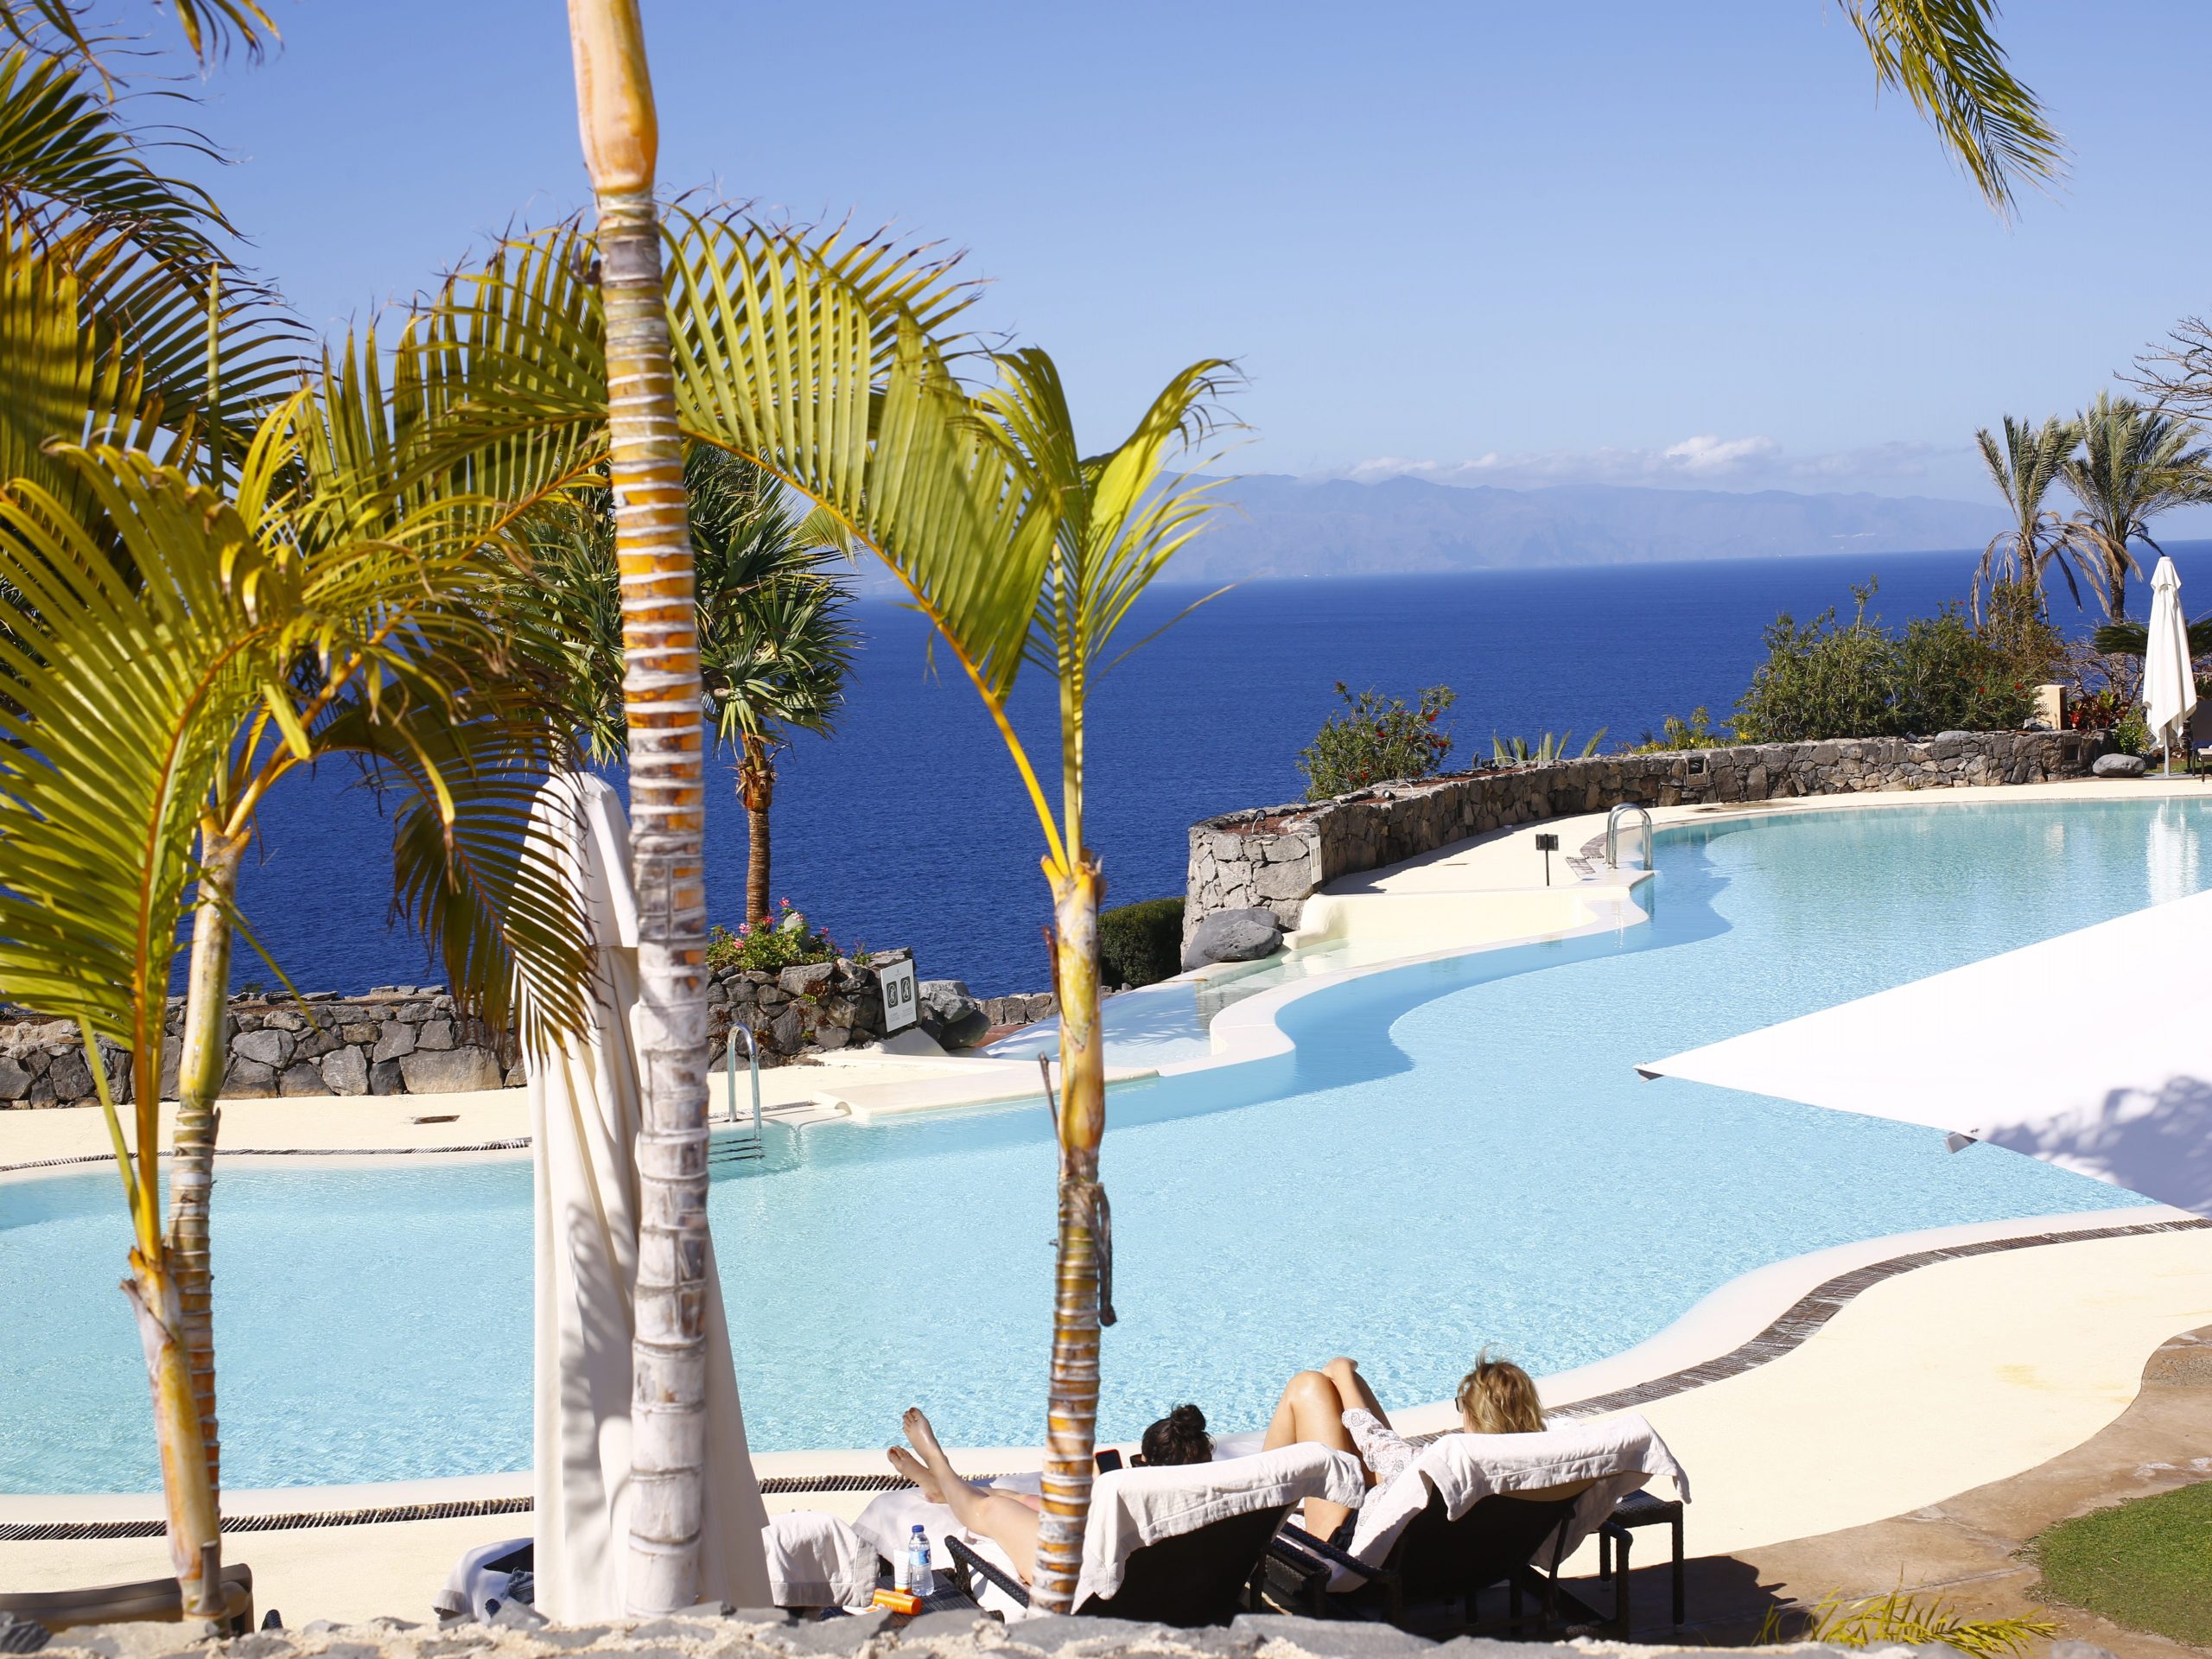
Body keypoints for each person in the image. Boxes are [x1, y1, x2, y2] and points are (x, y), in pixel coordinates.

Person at [886, 1402, 1213, 1587]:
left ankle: (937, 1462)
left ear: (1143, 1462)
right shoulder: (1216, 1501)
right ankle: (943, 1488)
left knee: (992, 1508)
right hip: (1107, 1542)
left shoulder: (1127, 1493)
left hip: (1075, 1572)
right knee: (1022, 1501)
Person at [1260, 1353, 1545, 1540]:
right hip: (1451, 1557)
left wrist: (1343, 1371)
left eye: (1463, 1406)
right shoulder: (1542, 1462)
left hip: (1347, 1553)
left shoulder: (1450, 1462)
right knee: (1344, 1388)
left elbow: (1376, 1444)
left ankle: (1253, 1515)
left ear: (1474, 1414)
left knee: (1308, 1386)